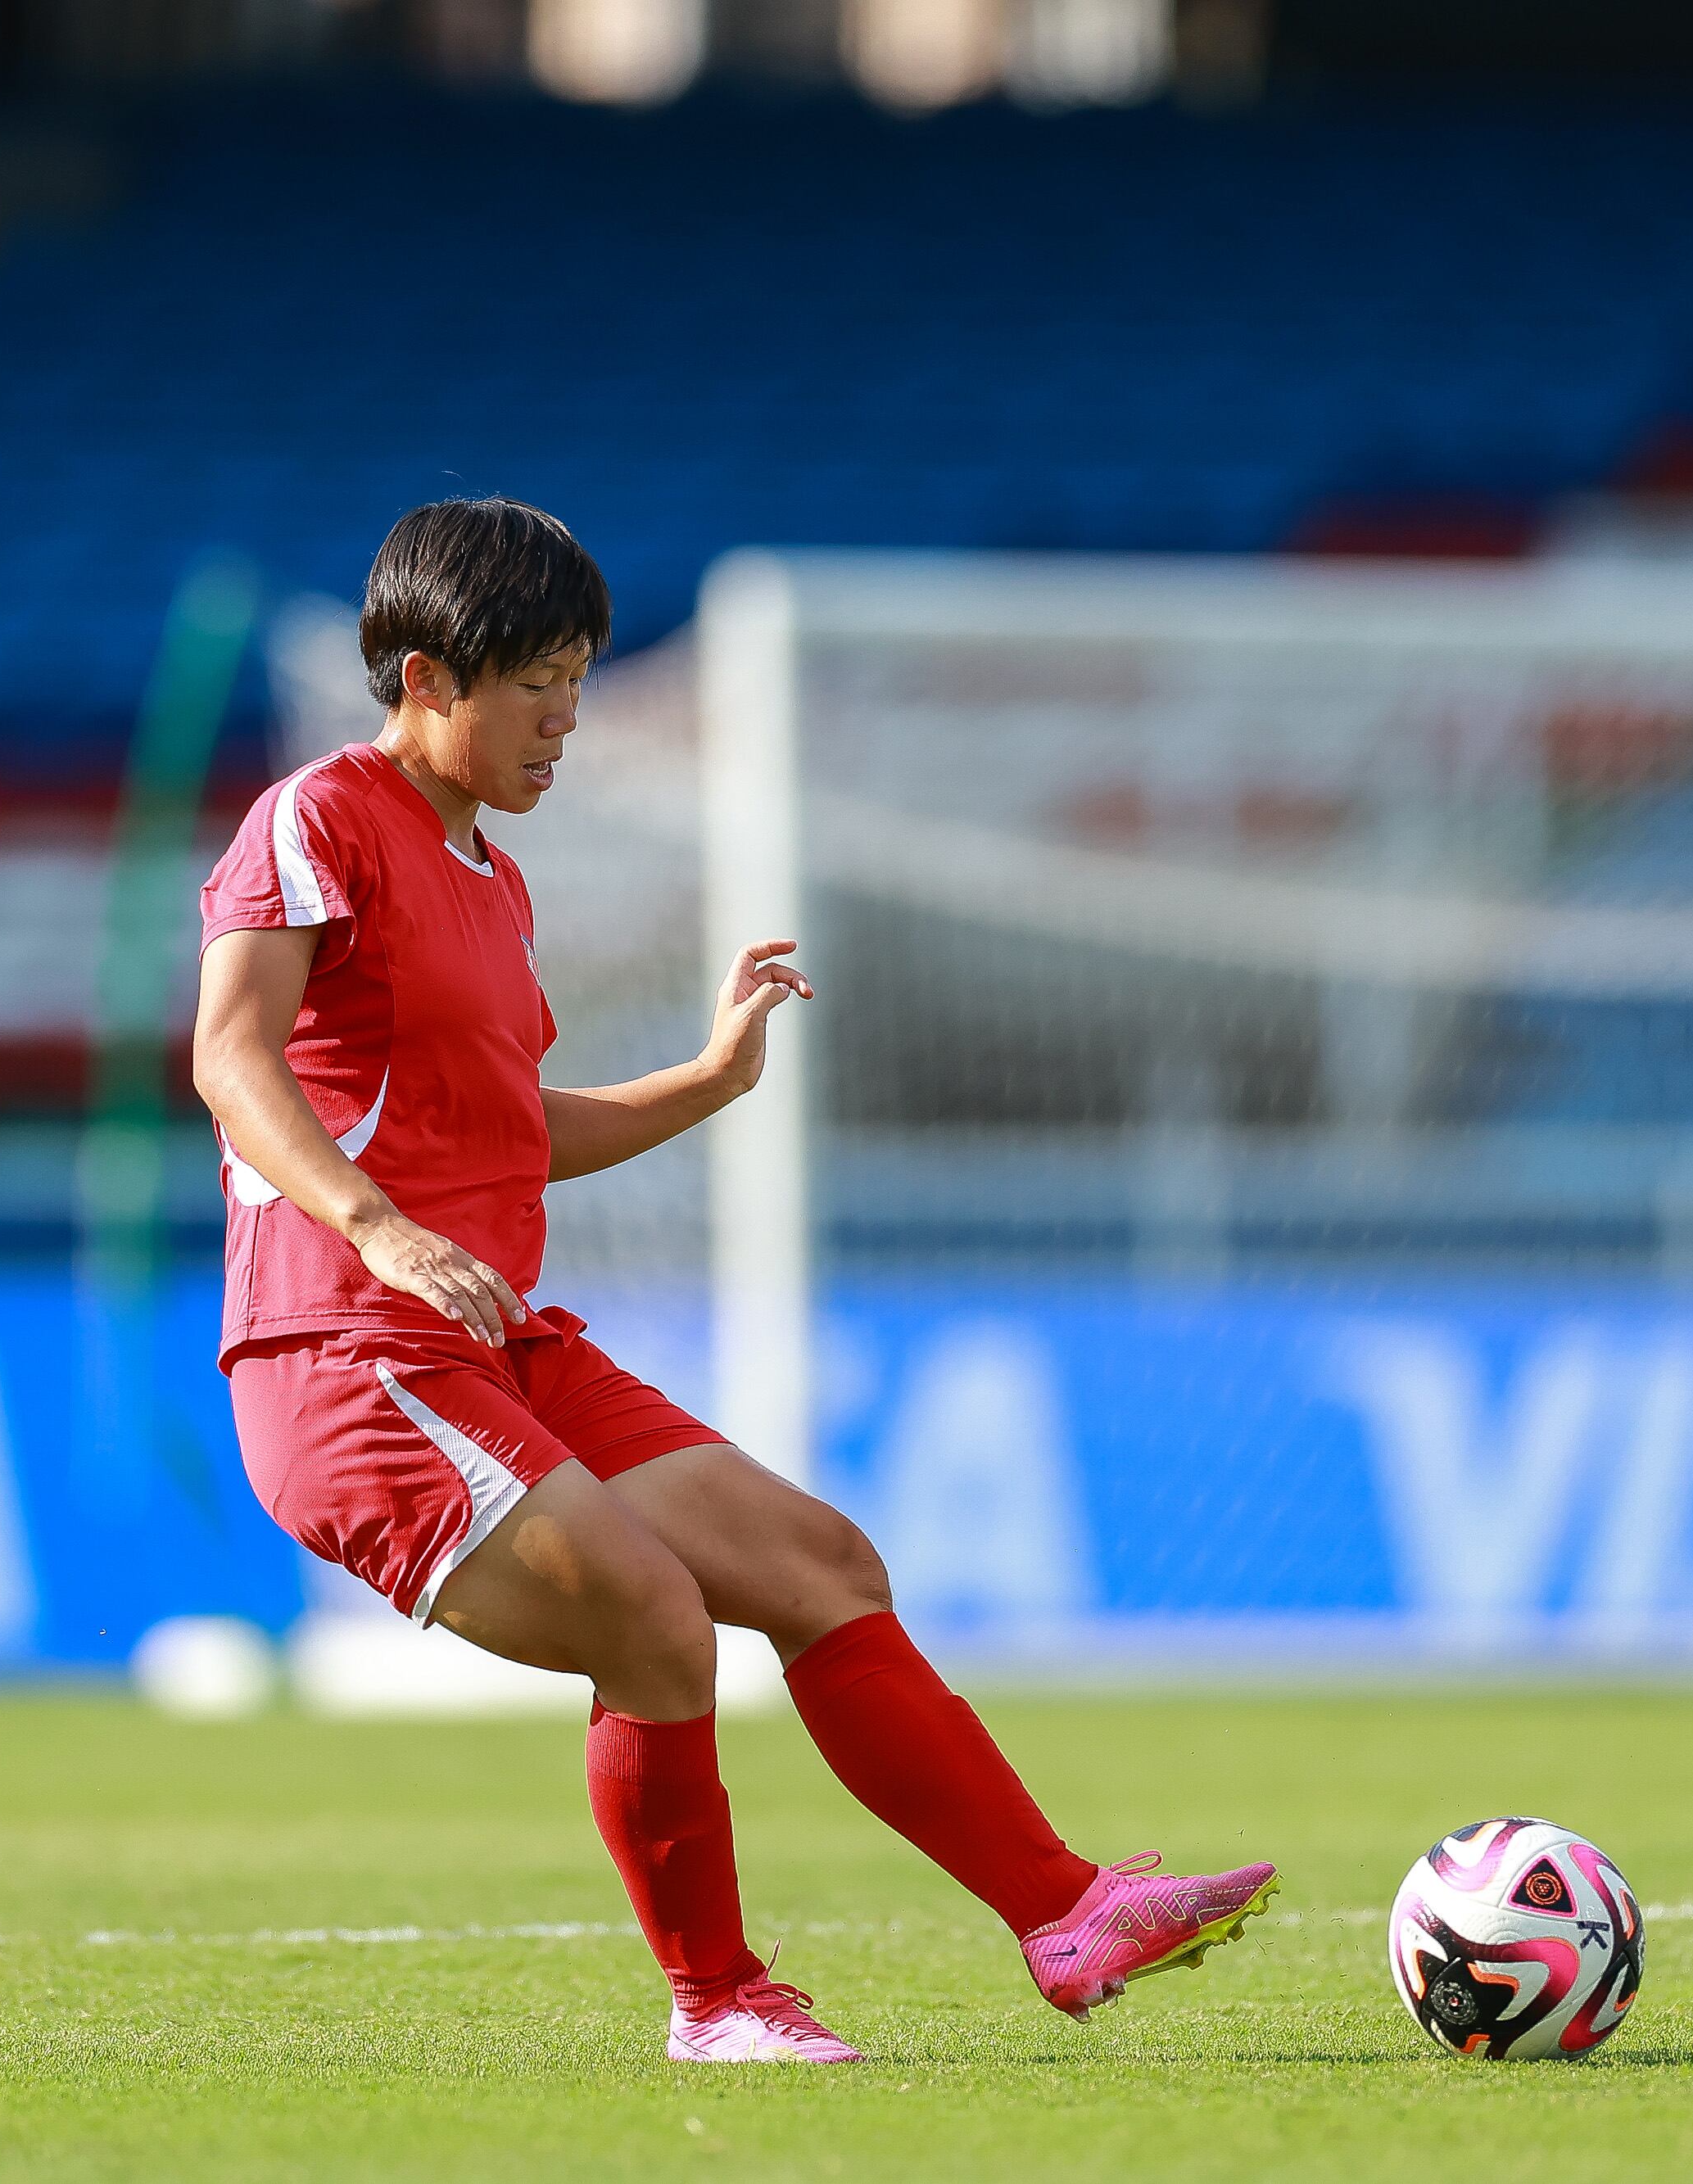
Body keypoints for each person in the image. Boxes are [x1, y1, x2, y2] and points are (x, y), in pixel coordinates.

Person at [190, 497, 1276, 2064]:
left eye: (580, 677)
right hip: (348, 1353)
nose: (568, 718)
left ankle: (1067, 1911)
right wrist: (372, 1225)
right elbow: (231, 1055)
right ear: (427, 677)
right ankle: (721, 2006)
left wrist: (706, 1079)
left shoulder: (492, 884)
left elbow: (509, 1137)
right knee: (655, 1621)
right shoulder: (317, 818)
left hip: (490, 1339)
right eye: (539, 683)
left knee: (819, 1565)